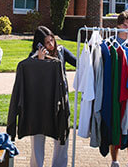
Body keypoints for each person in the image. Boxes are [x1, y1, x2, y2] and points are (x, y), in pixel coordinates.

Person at [28, 26, 76, 167]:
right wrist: (40, 61)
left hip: (60, 101)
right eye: (47, 42)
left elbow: (78, 63)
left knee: (62, 137)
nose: (51, 45)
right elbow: (30, 80)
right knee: (37, 137)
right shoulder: (33, 57)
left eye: (52, 40)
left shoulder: (61, 51)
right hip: (40, 104)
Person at [109, 10, 128, 167]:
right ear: (118, 25)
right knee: (115, 125)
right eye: (125, 25)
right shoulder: (109, 44)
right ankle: (114, 160)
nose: (127, 28)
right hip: (114, 90)